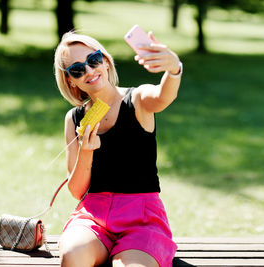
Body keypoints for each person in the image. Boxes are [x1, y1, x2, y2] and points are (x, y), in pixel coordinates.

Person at [53, 29, 183, 267]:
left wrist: (174, 69)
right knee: (72, 256)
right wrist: (86, 150)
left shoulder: (137, 100)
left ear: (105, 59)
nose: (90, 71)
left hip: (141, 219)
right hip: (93, 217)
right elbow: (77, 190)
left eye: (93, 60)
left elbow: (163, 97)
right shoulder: (74, 118)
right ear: (70, 79)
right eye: (78, 69)